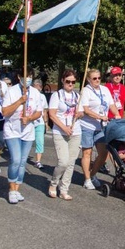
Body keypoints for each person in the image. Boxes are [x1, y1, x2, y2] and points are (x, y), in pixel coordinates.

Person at [1, 67, 41, 204]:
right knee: (16, 159)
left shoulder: (35, 93)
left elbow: (39, 112)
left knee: (23, 162)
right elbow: (4, 112)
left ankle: (17, 188)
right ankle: (11, 189)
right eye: (25, 76)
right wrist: (19, 101)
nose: (28, 78)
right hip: (12, 130)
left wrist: (29, 118)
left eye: (30, 76)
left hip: (27, 131)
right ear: (19, 77)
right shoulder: (11, 92)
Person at [79, 68, 119, 190]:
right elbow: (85, 109)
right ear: (89, 80)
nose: (97, 80)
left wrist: (117, 115)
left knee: (103, 153)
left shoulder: (105, 90)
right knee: (87, 153)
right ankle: (86, 179)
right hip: (88, 126)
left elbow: (111, 104)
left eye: (99, 78)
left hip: (101, 127)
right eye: (94, 78)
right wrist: (100, 116)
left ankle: (92, 175)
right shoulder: (86, 91)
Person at [47, 70, 83, 200]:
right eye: (68, 81)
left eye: (73, 82)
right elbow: (52, 114)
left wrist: (79, 114)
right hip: (60, 132)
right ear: (63, 81)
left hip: (76, 132)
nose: (70, 84)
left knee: (71, 163)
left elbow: (82, 112)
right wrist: (64, 128)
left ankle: (64, 189)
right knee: (63, 162)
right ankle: (53, 183)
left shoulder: (78, 96)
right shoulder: (57, 95)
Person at [31, 78, 47, 169]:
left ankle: (38, 161)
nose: (38, 88)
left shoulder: (43, 97)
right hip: (30, 122)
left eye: (39, 87)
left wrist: (46, 122)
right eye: (35, 86)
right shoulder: (30, 95)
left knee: (40, 142)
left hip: (40, 122)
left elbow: (44, 110)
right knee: (27, 141)